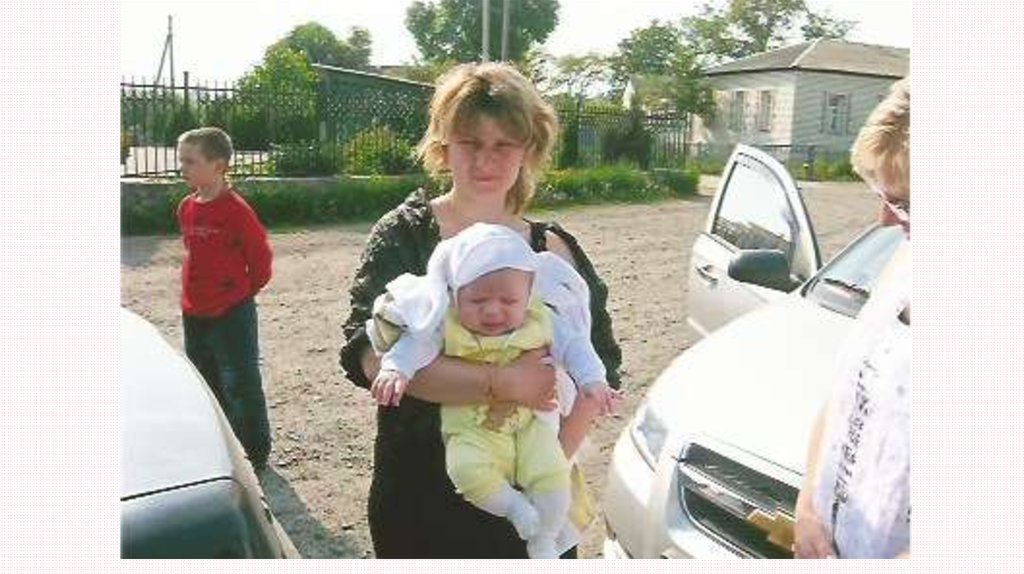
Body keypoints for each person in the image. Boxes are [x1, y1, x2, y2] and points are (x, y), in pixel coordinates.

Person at [338, 61, 623, 558]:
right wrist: (504, 383)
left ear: (529, 149)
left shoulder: (554, 250)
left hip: (531, 508)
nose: (484, 161)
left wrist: (545, 467)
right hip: (422, 498)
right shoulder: (407, 235)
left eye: (503, 145)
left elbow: (599, 367)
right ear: (443, 145)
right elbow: (373, 358)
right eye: (469, 142)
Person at [366, 223, 619, 558]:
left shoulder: (542, 318)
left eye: (508, 300)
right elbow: (416, 343)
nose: (493, 310)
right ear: (456, 294)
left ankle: (544, 539)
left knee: (553, 477)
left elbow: (577, 348)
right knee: (466, 471)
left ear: (529, 295)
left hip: (531, 427)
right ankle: (515, 509)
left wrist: (593, 381)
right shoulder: (447, 322)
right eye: (477, 300)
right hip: (471, 429)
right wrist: (395, 369)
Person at [794, 78, 911, 559]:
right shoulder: (904, 263)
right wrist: (808, 506)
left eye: (904, 203)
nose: (884, 220)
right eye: (881, 195)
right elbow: (845, 396)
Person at [176, 126, 274, 470]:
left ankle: (254, 452)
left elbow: (260, 260)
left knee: (241, 381)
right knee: (206, 378)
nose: (182, 168)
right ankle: (221, 444)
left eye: (190, 161)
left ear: (218, 166)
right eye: (181, 160)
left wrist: (239, 293)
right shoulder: (187, 207)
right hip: (195, 311)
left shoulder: (236, 211)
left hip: (231, 311)